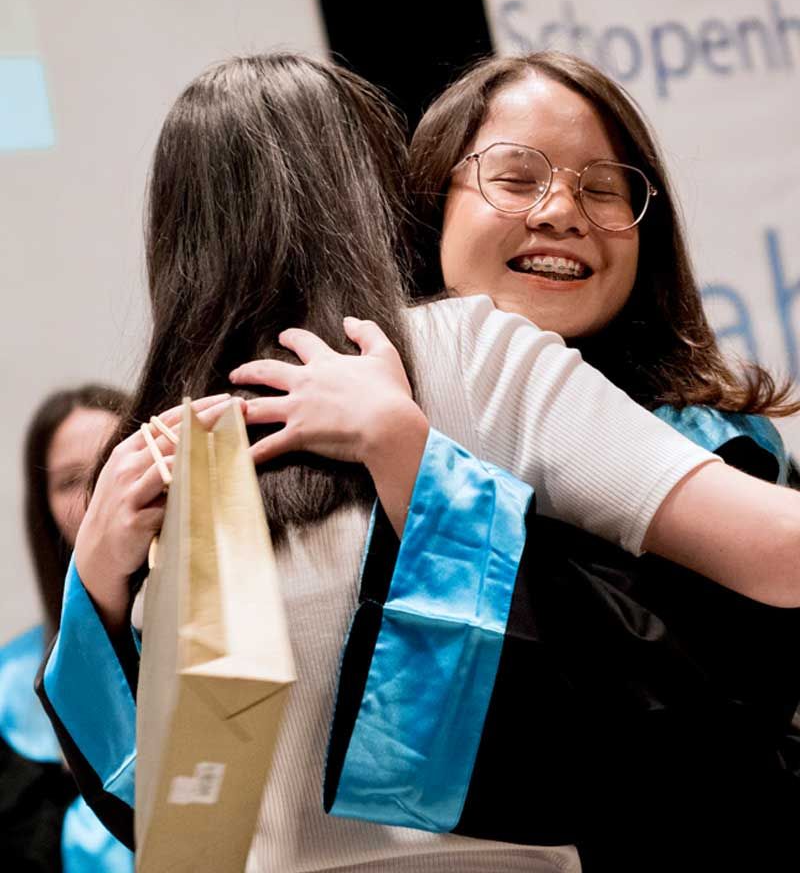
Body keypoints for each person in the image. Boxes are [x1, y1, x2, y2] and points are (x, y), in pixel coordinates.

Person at [37, 53, 800, 873]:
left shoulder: (482, 361)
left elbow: (706, 715)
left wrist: (413, 460)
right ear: (406, 202)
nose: (560, 214)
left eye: (604, 189)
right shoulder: (172, 449)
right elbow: (177, 812)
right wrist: (98, 590)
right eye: (516, 177)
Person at [0, 384, 134, 872]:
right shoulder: (9, 693)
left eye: (113, 464)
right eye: (70, 481)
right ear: (45, 510)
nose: (97, 495)